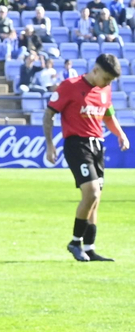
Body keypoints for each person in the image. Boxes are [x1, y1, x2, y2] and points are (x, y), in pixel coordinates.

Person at [46, 52, 128, 261]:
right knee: (90, 192)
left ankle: (90, 247)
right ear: (96, 70)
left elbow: (108, 116)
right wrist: (49, 144)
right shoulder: (70, 86)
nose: (107, 83)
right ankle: (75, 242)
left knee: (96, 198)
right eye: (106, 78)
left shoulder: (105, 90)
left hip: (97, 145)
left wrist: (120, 134)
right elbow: (49, 114)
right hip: (77, 144)